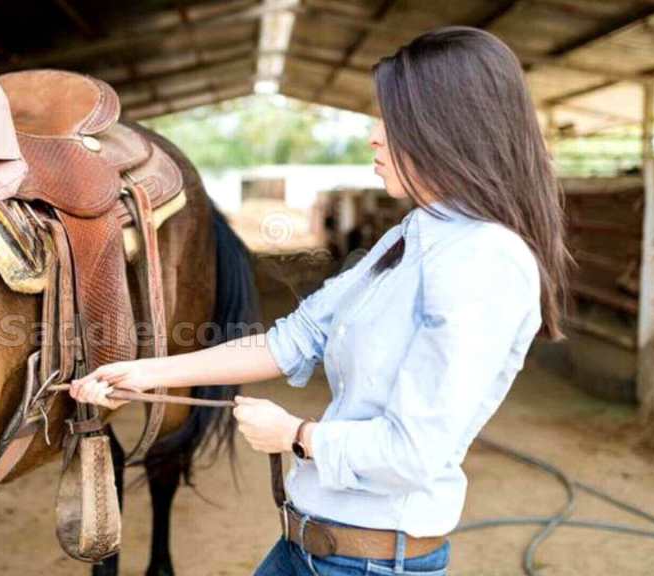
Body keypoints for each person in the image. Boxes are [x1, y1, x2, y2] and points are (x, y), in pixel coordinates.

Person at [70, 26, 569, 576]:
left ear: (446, 127)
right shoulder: (413, 234)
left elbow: (414, 452)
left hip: (370, 562)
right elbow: (294, 339)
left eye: (392, 120)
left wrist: (297, 436)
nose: (374, 137)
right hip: (309, 545)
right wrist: (144, 372)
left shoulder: (484, 260)